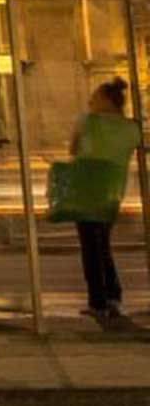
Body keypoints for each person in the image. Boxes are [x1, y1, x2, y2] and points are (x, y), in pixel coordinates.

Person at [70, 78, 140, 322]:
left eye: (95, 97)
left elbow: (74, 150)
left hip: (87, 193)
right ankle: (113, 296)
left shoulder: (87, 122)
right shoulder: (131, 127)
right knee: (103, 245)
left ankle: (98, 301)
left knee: (92, 248)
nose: (90, 102)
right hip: (113, 193)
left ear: (108, 101)